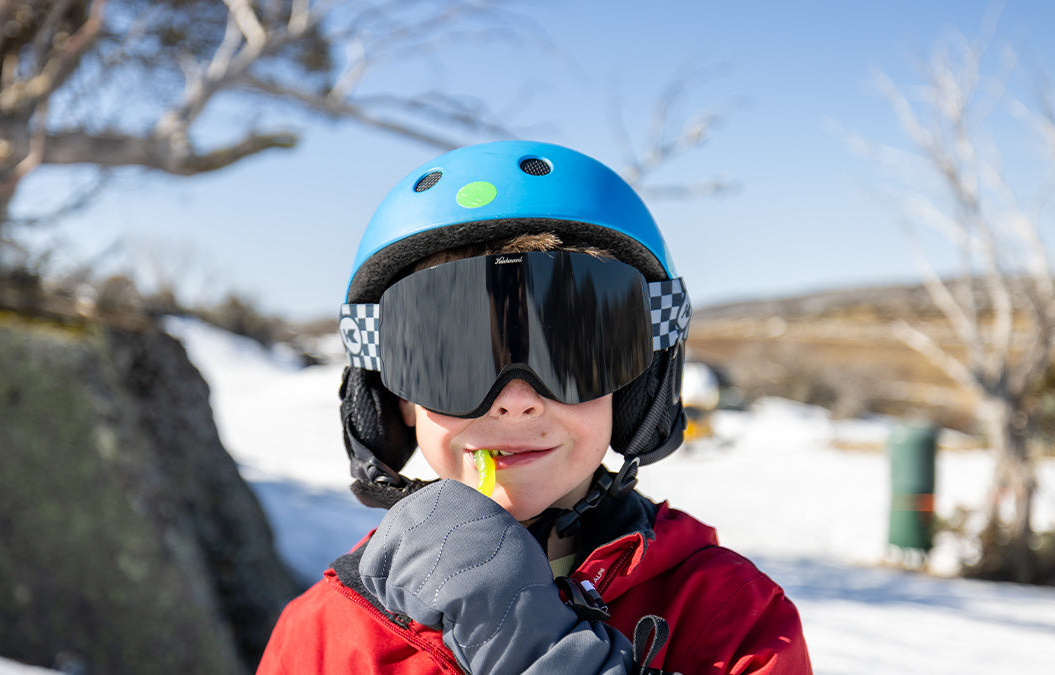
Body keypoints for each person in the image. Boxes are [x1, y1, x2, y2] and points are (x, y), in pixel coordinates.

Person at [256, 141, 812, 674]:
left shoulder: (730, 619)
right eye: (453, 361)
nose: (516, 403)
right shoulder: (328, 629)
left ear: (637, 385)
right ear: (396, 398)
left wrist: (537, 653)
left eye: (571, 353)